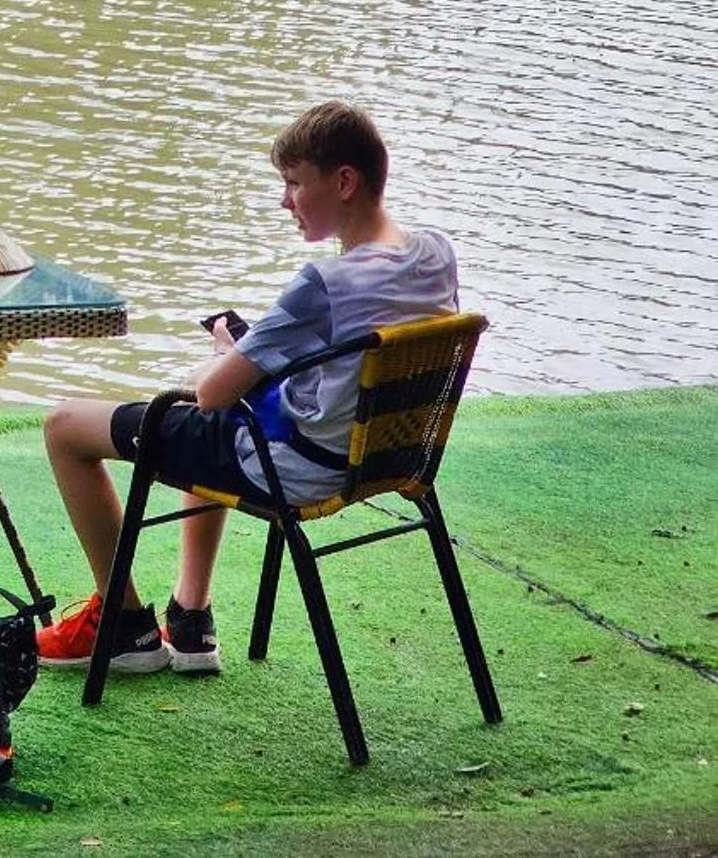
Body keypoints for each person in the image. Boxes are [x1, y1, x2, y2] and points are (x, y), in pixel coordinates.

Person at [35, 100, 459, 679]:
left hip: (298, 470)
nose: (285, 202)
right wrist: (264, 352)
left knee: (67, 427)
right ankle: (190, 617)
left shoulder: (322, 284)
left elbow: (211, 394)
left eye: (293, 184)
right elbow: (364, 333)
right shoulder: (435, 252)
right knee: (218, 425)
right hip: (393, 457)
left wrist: (227, 355)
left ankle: (124, 625)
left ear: (343, 182)